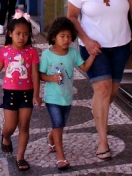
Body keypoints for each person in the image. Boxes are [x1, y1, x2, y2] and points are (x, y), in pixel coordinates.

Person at [67, 0, 132, 161]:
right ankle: (103, 141)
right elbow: (72, 16)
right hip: (93, 48)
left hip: (120, 44)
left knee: (111, 92)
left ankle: (99, 116)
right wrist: (86, 40)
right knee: (102, 90)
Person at [0, 10, 40, 172]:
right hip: (9, 94)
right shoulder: (5, 51)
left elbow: (35, 74)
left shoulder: (32, 52)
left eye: (25, 34)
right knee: (10, 125)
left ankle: (20, 157)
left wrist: (36, 95)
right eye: (18, 34)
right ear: (10, 34)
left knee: (24, 125)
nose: (22, 37)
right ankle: (6, 136)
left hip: (27, 93)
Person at [40, 17, 95, 170]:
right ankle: (60, 156)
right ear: (53, 37)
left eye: (69, 36)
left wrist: (93, 55)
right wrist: (51, 78)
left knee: (60, 125)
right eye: (62, 36)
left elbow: (84, 67)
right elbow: (40, 74)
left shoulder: (72, 53)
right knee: (58, 123)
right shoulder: (47, 55)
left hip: (67, 97)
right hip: (52, 97)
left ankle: (50, 138)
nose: (66, 39)